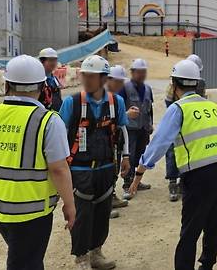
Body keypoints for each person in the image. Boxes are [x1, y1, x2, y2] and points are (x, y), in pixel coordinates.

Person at [129, 59, 217, 270]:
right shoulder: (211, 106)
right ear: (196, 83)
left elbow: (159, 143)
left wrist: (140, 170)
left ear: (174, 85)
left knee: (190, 231)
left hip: (198, 175)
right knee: (215, 224)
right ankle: (207, 266)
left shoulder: (178, 108)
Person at [0, 55, 76, 270]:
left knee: (23, 257)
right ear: (42, 87)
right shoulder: (48, 120)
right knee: (25, 263)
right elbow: (59, 169)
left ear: (7, 84)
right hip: (31, 212)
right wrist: (70, 203)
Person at [59, 55, 131, 270]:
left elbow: (122, 130)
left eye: (92, 76)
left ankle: (96, 252)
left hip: (107, 168)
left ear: (103, 79)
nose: (87, 80)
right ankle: (81, 258)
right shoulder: (72, 102)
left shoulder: (115, 102)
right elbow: (60, 134)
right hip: (80, 169)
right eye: (85, 76)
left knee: (102, 214)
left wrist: (126, 157)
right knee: (82, 216)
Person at [164, 54, 207, 202]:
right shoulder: (174, 83)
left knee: (189, 151)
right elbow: (168, 102)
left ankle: (184, 182)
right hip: (178, 118)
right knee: (172, 152)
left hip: (191, 121)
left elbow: (201, 100)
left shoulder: (200, 83)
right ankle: (172, 182)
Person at [106, 65, 139, 217]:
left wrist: (126, 155)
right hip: (100, 144)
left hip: (114, 142)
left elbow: (121, 125)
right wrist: (127, 114)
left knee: (113, 169)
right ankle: (103, 204)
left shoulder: (117, 99)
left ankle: (110, 196)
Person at [120, 58, 154, 198]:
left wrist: (150, 124)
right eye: (138, 72)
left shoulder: (148, 89)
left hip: (143, 128)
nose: (141, 75)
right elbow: (119, 108)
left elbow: (149, 108)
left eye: (143, 72)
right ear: (132, 72)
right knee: (130, 155)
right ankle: (127, 183)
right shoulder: (124, 88)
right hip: (130, 129)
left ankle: (136, 181)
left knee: (140, 155)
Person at [37, 47, 63, 111]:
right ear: (42, 61)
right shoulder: (37, 80)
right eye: (51, 60)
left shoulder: (54, 79)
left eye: (55, 60)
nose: (53, 63)